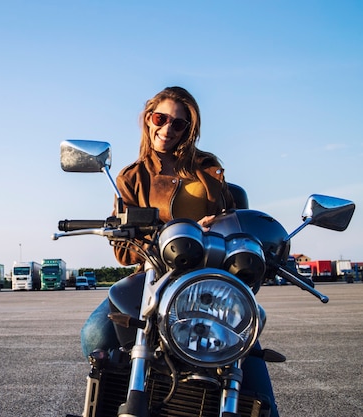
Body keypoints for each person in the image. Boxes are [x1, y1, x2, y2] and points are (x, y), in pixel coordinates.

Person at [80, 86, 279, 415]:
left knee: (247, 354)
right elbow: (122, 251)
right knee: (95, 334)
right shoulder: (132, 177)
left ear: (190, 130)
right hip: (155, 277)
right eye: (161, 118)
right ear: (148, 118)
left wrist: (221, 222)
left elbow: (236, 218)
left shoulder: (208, 167)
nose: (168, 129)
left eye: (179, 124)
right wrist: (156, 235)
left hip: (208, 278)